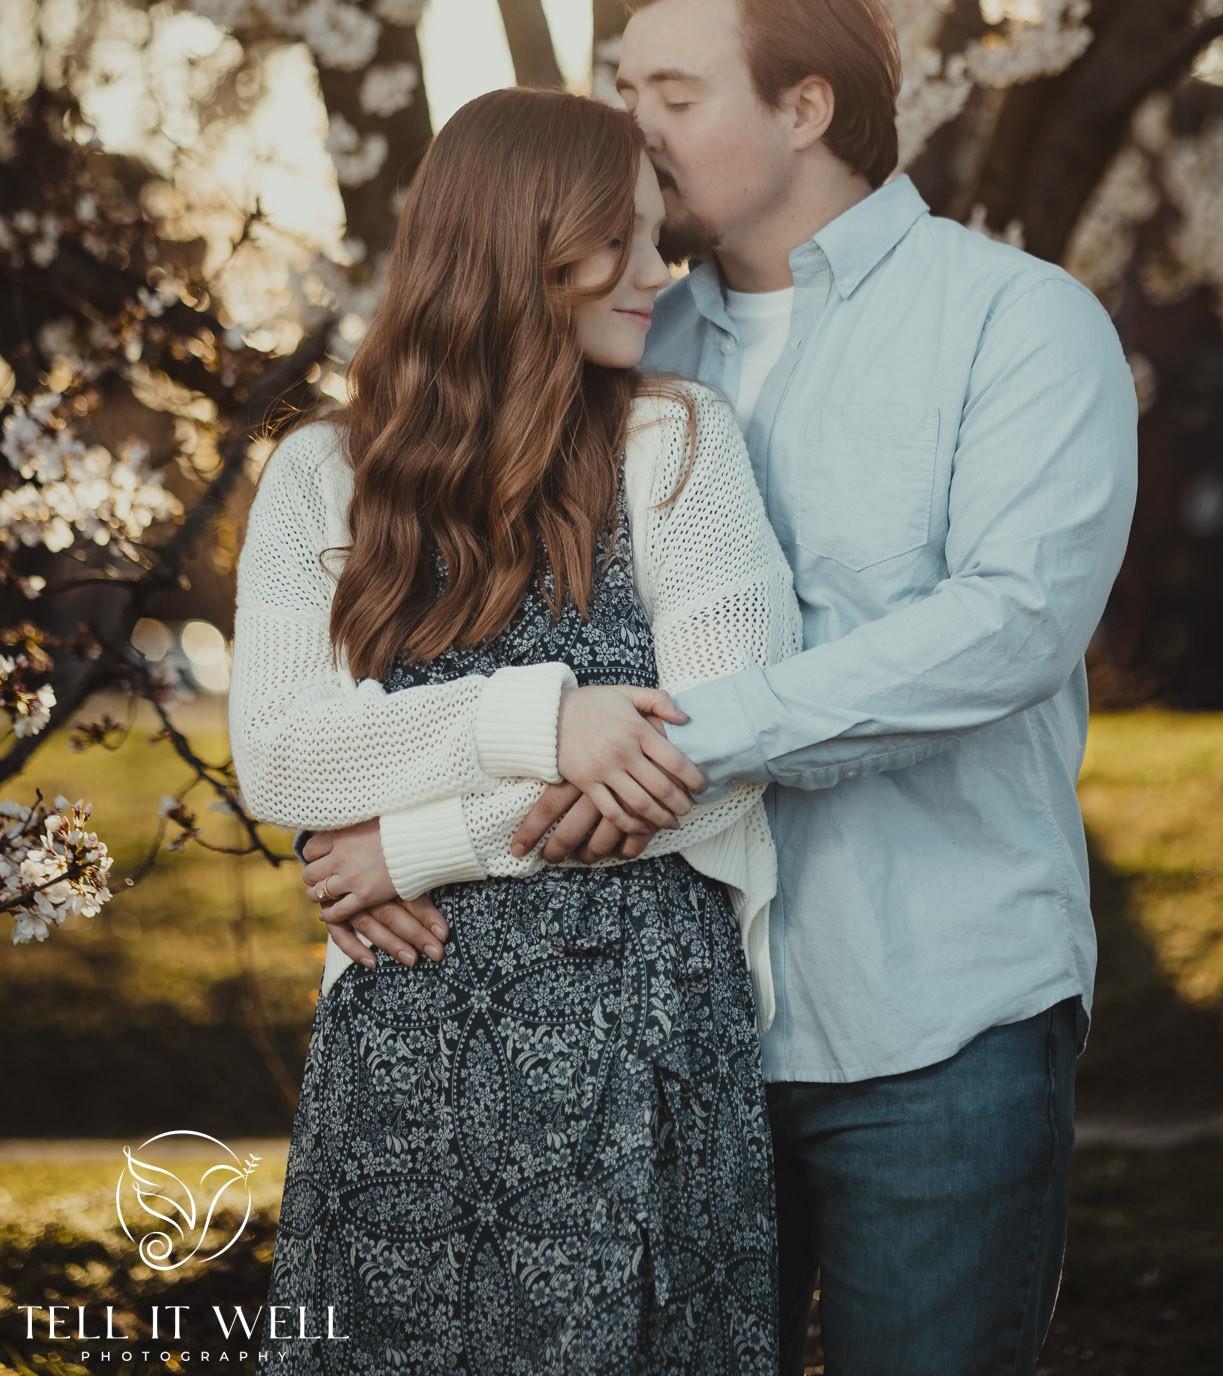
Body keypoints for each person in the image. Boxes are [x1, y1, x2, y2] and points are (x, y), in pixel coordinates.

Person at [485, 0, 1137, 1376]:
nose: (632, 128)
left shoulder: (1013, 322)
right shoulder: (621, 340)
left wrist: (688, 736)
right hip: (663, 1021)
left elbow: (1010, 624)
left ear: (804, 107)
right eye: (620, 90)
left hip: (938, 1019)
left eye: (673, 89)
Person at [228, 86, 801, 1374]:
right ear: (522, 242)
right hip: (402, 1051)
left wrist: (418, 845)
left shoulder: (677, 439)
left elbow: (717, 761)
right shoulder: (325, 473)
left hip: (639, 1040)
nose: (662, 272)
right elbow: (281, 755)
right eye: (628, 240)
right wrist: (543, 718)